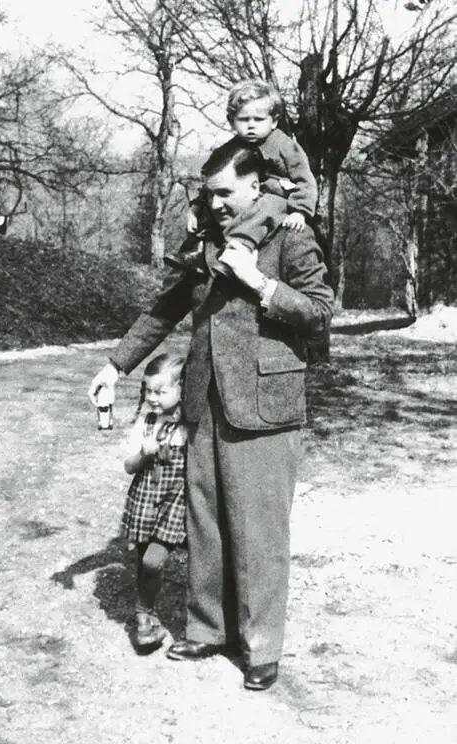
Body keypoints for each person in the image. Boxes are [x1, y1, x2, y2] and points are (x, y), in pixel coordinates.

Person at [88, 142, 333, 691]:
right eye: (209, 193)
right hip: (201, 402)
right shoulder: (206, 244)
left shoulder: (290, 237)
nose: (216, 203)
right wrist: (114, 366)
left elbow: (320, 312)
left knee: (259, 532)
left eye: (226, 192)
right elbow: (165, 309)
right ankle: (208, 628)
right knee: (206, 522)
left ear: (256, 186)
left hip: (266, 409)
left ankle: (262, 646)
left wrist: (261, 284)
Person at [164, 78, 318, 275]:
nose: (251, 126)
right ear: (232, 122)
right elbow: (214, 179)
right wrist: (197, 205)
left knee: (266, 204)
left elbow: (305, 179)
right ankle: (197, 252)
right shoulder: (231, 148)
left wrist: (300, 211)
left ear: (274, 121)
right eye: (244, 120)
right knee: (216, 205)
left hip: (278, 198)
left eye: (259, 119)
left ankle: (239, 250)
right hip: (244, 197)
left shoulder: (284, 146)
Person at [120, 353, 187, 651]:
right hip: (147, 498)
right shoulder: (145, 422)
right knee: (144, 560)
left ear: (182, 389)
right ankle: (145, 617)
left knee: (153, 559)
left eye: (161, 391)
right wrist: (145, 452)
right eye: (148, 390)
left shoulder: (190, 423)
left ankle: (202, 619)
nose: (153, 398)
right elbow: (129, 466)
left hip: (176, 500)